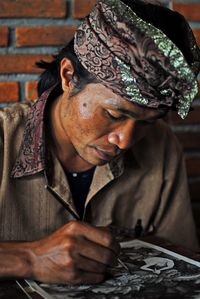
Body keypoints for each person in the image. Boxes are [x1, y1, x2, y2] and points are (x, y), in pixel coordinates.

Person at [0, 0, 200, 285]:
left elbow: (183, 265)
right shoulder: (3, 139)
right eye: (114, 114)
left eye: (147, 122)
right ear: (68, 77)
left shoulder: (162, 148)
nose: (125, 140)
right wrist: (28, 258)